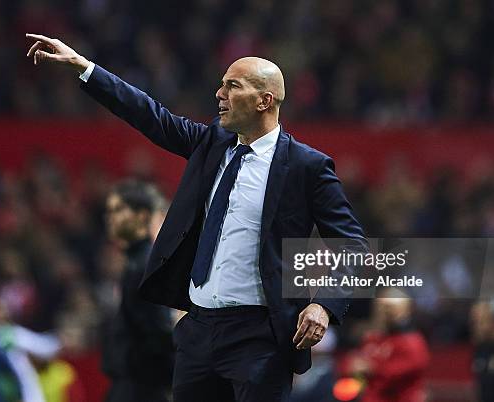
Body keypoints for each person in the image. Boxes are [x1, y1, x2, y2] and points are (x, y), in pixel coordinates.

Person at [26, 33, 367, 402]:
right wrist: (83, 67)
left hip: (260, 337)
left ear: (264, 101)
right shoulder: (211, 143)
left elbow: (353, 245)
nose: (219, 94)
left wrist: (324, 305)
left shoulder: (307, 166)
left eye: (232, 86)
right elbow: (148, 114)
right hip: (198, 332)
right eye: (221, 85)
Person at [102, 180, 174, 402]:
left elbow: (159, 330)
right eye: (109, 211)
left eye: (118, 210)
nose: (110, 217)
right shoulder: (135, 263)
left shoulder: (144, 265)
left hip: (142, 388)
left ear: (143, 216)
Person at [345, 289, 429, 402]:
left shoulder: (412, 342)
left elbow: (399, 373)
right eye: (381, 307)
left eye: (390, 308)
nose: (385, 312)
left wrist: (370, 368)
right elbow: (353, 366)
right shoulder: (372, 338)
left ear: (405, 310)